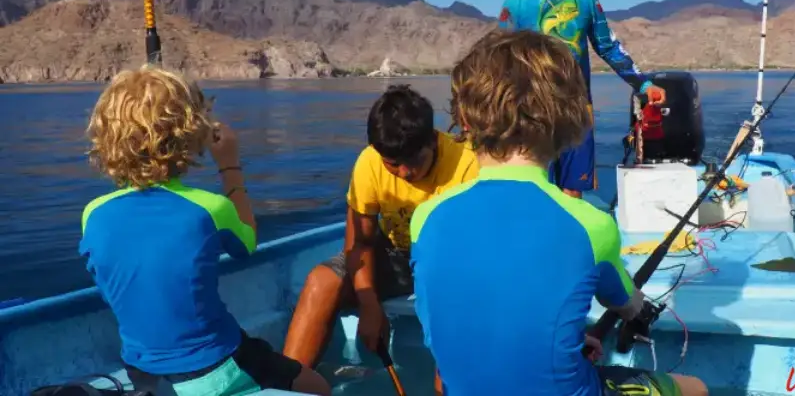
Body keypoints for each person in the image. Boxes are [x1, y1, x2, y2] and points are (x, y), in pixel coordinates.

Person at [409, 29, 708, 396]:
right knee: (694, 388)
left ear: (466, 120)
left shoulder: (425, 218)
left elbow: (453, 321)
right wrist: (636, 309)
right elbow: (627, 304)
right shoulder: (590, 225)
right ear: (565, 119)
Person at [80, 66, 331, 396]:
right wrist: (229, 165)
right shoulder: (210, 208)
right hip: (217, 365)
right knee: (319, 388)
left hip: (141, 370)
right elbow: (246, 243)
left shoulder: (92, 214)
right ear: (189, 132)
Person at [282, 85, 478, 383]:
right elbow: (360, 243)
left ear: (432, 141)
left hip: (450, 264)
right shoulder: (370, 162)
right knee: (322, 281)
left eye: (414, 162)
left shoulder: (467, 163)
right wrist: (369, 303)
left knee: (454, 319)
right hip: (392, 257)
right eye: (393, 165)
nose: (404, 173)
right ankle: (288, 385)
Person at [498, 0, 667, 199]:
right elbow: (498, 57)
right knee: (536, 187)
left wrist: (643, 84)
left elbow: (608, 46)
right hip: (531, 110)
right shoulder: (516, 0)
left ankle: (571, 238)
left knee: (572, 188)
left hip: (577, 108)